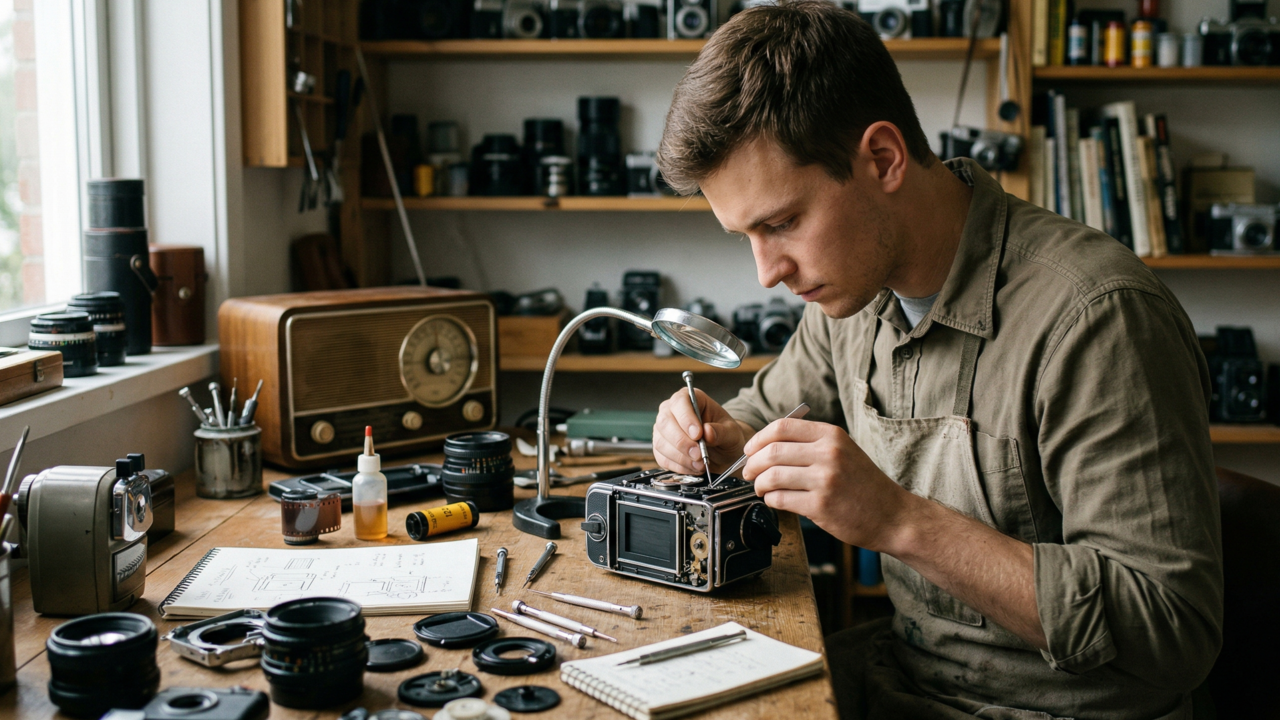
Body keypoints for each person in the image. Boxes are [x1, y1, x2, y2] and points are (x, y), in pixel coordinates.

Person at [650, 3, 1223, 718]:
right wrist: (709, 431)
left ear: (883, 158)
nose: (768, 272)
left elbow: (1171, 629)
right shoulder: (850, 295)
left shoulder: (1096, 318)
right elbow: (760, 415)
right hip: (906, 680)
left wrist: (898, 521)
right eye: (746, 237)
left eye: (783, 222)